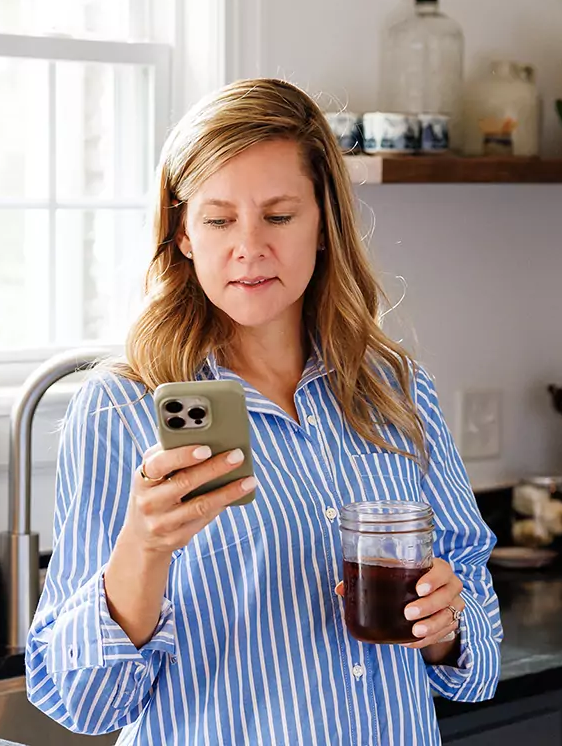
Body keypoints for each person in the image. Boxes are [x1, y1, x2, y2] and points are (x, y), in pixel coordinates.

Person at [26, 77, 502, 745]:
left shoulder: (394, 390)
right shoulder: (122, 408)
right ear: (184, 232)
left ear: (324, 223)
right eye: (219, 219)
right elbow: (81, 701)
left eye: (278, 217)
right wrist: (145, 545)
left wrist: (446, 624)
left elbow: (475, 654)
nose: (248, 247)